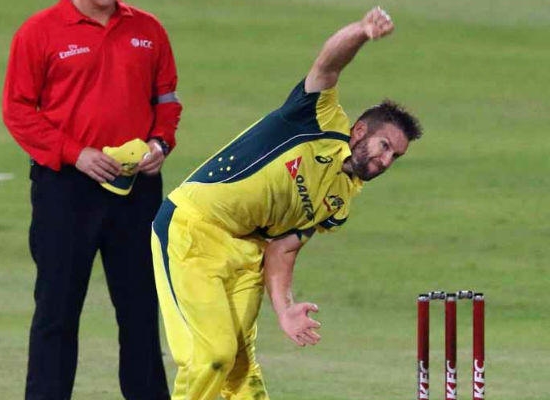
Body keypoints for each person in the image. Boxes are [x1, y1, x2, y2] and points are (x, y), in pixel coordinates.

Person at [150, 5, 422, 400]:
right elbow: (328, 65)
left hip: (247, 251)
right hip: (192, 229)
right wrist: (362, 31)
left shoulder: (340, 200)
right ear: (360, 130)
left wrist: (285, 308)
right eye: (384, 147)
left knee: (241, 370)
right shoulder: (316, 119)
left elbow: (284, 248)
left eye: (395, 157)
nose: (385, 161)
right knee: (212, 357)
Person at [2, 0, 181, 398]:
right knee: (57, 311)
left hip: (136, 189)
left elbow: (166, 101)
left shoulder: (148, 29)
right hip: (65, 189)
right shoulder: (39, 31)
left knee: (140, 310)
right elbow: (18, 110)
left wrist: (160, 142)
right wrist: (75, 153)